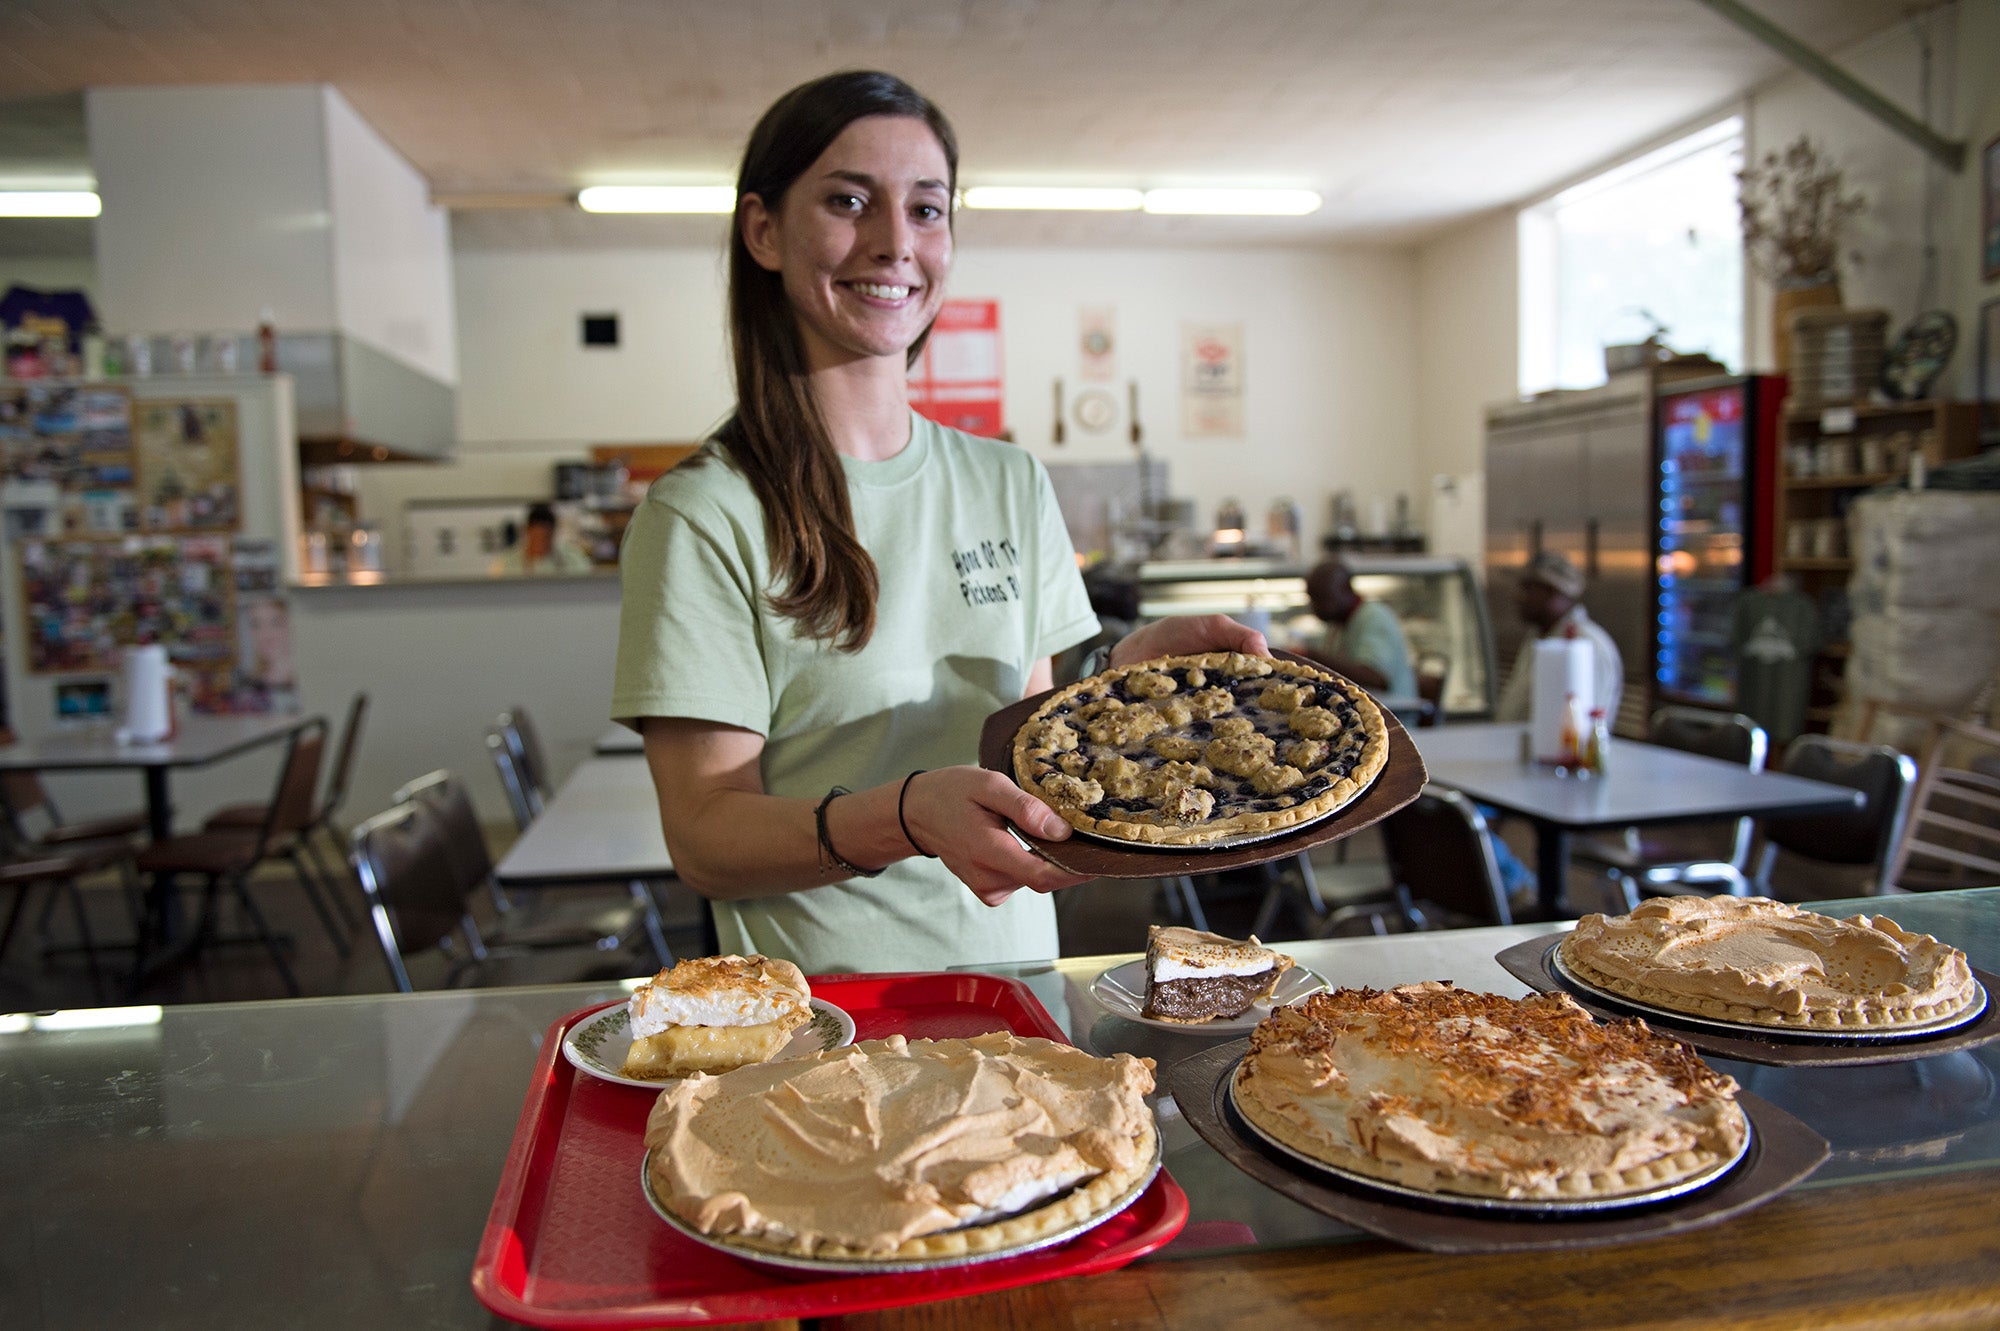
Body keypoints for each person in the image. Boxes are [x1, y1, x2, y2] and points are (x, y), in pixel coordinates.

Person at [611, 71, 1264, 974]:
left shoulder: (1008, 478)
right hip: (824, 1026)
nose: (893, 244)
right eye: (848, 201)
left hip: (1018, 992)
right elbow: (707, 838)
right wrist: (910, 815)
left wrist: (1119, 681)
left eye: (927, 209)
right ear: (763, 230)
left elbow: (1032, 731)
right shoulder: (705, 512)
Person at [1493, 550, 1623, 724]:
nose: (1518, 597)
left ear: (1554, 592)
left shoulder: (1586, 645)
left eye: (1528, 589)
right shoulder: (1538, 638)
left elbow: (1582, 725)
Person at [1297, 557, 1415, 698]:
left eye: (1323, 598)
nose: (1316, 607)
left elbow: (1375, 677)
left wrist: (1312, 656)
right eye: (1312, 599)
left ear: (1346, 590)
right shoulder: (1337, 623)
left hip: (1391, 712)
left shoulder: (1373, 616)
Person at [498, 502, 592, 575]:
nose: (541, 543)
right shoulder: (508, 561)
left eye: (546, 538)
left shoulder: (573, 558)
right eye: (537, 537)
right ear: (527, 531)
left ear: (553, 533)